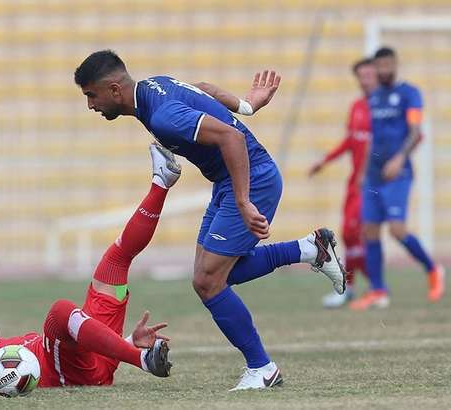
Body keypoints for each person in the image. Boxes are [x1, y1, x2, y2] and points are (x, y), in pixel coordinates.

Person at [74, 50, 347, 390]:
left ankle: (263, 368)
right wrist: (246, 106)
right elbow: (202, 89)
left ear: (114, 90)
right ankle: (310, 249)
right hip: (228, 182)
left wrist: (244, 201)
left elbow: (231, 137)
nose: (90, 105)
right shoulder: (152, 87)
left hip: (251, 180)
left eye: (91, 95)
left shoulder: (161, 116)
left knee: (208, 281)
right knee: (208, 277)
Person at [0, 144, 180, 391]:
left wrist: (129, 342)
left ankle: (161, 182)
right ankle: (142, 360)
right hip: (73, 375)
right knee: (59, 312)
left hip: (93, 363)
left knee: (114, 261)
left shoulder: (10, 346)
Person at [350, 47, 445, 310]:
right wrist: (362, 171)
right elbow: (372, 138)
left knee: (396, 229)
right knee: (368, 230)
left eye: (387, 65)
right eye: (379, 66)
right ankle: (379, 291)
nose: (383, 70)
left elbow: (415, 132)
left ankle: (433, 268)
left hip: (398, 173)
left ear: (395, 64)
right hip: (373, 175)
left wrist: (400, 158)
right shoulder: (374, 98)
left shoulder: (409, 93)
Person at [308, 58, 376, 308]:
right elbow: (350, 141)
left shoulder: (381, 110)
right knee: (350, 235)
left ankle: (364, 287)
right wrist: (325, 160)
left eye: (369, 74)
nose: (365, 79)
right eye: (361, 75)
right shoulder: (357, 106)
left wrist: (368, 174)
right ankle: (364, 286)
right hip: (354, 182)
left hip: (370, 184)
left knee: (353, 233)